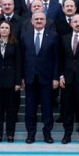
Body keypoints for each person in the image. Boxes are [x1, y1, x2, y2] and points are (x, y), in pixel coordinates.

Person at [21, 11, 59, 144]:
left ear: (45, 21)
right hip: (30, 77)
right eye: (36, 19)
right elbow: (21, 58)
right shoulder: (25, 36)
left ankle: (47, 134)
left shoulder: (53, 36)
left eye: (41, 19)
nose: (38, 21)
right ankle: (30, 134)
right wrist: (22, 77)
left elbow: (56, 59)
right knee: (30, 108)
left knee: (47, 107)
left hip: (47, 78)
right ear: (31, 21)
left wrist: (55, 78)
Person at [0, 21, 22, 143]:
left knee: (11, 111)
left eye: (7, 27)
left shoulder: (15, 44)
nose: (4, 29)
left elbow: (18, 64)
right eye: (2, 27)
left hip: (11, 82)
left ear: (10, 30)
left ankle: (10, 134)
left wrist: (18, 82)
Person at [59, 14, 79, 145]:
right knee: (67, 109)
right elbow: (60, 59)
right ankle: (67, 134)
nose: (78, 24)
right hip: (67, 80)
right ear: (71, 24)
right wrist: (60, 75)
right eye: (75, 22)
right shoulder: (64, 38)